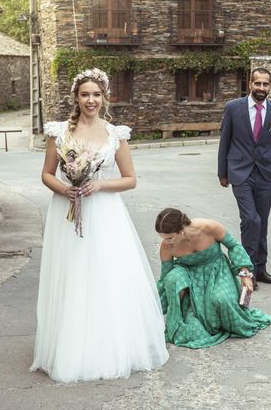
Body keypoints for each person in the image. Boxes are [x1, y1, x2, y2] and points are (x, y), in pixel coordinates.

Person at [30, 68, 168, 383]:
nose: (90, 100)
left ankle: (108, 345)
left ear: (104, 97)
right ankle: (69, 345)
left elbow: (130, 180)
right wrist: (65, 188)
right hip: (66, 210)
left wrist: (99, 186)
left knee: (105, 274)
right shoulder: (59, 132)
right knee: (72, 274)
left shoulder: (115, 134)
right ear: (76, 98)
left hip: (105, 213)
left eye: (96, 94)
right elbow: (47, 173)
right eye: (84, 94)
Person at [155, 208, 271, 348]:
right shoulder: (167, 246)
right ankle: (179, 319)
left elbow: (233, 246)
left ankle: (226, 318)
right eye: (163, 238)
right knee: (172, 278)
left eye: (169, 237)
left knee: (221, 300)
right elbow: (164, 278)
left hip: (217, 270)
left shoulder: (208, 227)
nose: (165, 242)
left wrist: (245, 274)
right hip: (189, 274)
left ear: (181, 230)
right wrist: (154, 309)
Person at [217, 67, 271, 286]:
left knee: (262, 222)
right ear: (250, 84)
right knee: (250, 219)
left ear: (270, 86)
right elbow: (224, 140)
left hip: (266, 175)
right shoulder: (233, 108)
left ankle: (261, 269)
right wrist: (222, 172)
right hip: (240, 172)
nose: (261, 88)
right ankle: (247, 271)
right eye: (258, 84)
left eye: (265, 84)